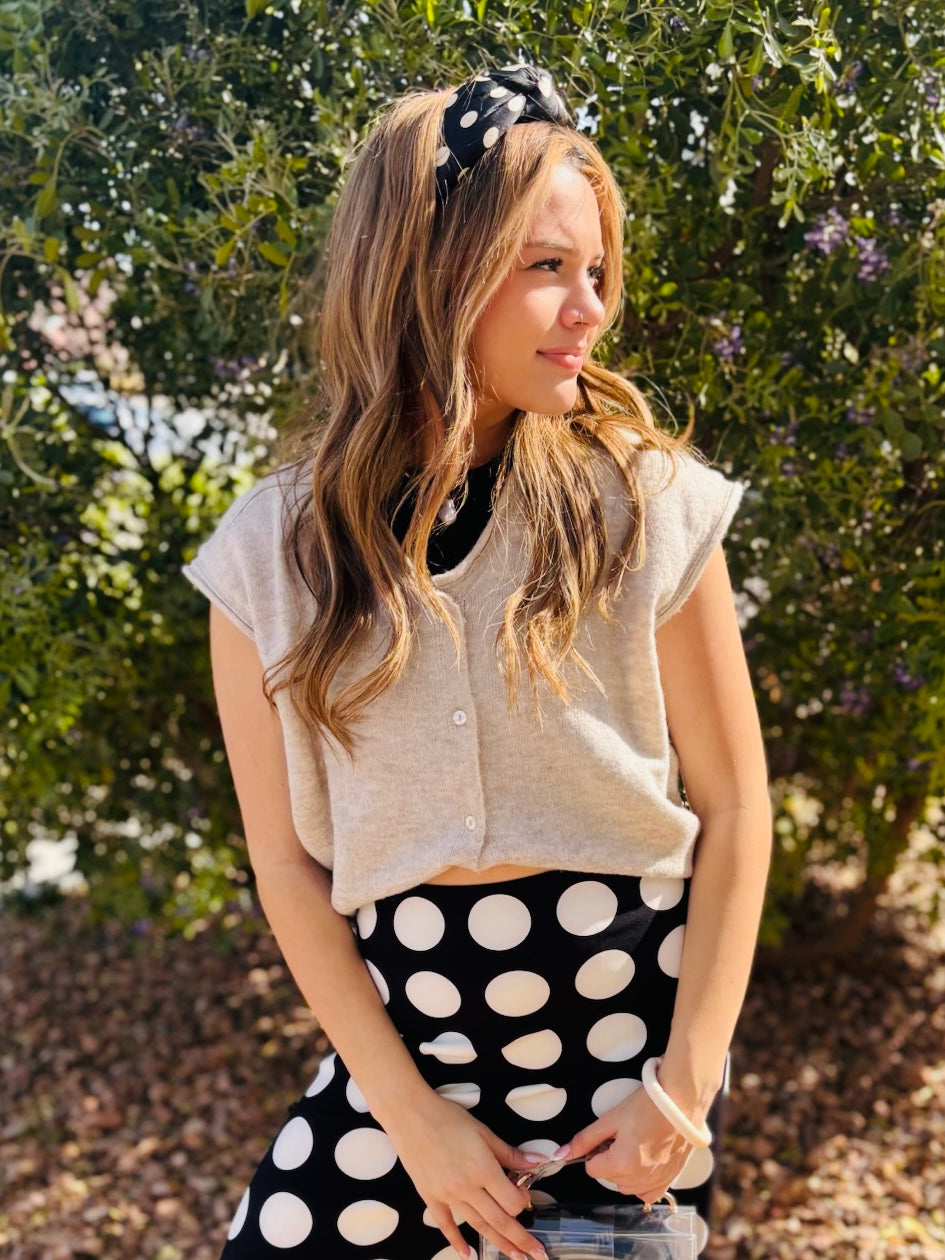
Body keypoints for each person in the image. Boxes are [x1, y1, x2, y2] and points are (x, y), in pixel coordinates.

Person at [182, 62, 771, 1260]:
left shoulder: (646, 505)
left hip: (619, 1107)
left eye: (597, 272)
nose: (590, 309)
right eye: (548, 265)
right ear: (427, 268)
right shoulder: (266, 558)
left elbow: (737, 805)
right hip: (408, 1092)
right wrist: (412, 1123)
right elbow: (287, 868)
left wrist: (683, 1089)